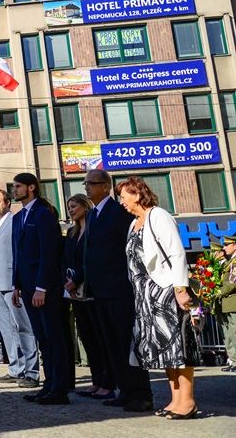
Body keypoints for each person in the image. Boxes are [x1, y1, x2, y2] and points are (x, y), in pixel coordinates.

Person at [116, 176, 198, 419]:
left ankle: (188, 400)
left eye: (124, 196)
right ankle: (175, 400)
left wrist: (181, 289)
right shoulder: (133, 224)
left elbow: (176, 251)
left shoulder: (158, 215)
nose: (121, 202)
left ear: (137, 194)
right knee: (163, 350)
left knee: (178, 346)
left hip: (165, 290)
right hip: (144, 296)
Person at [82, 169, 152, 411]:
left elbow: (130, 248)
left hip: (120, 288)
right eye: (85, 183)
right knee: (111, 343)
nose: (87, 187)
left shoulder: (118, 211)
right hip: (99, 290)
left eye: (92, 183)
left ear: (105, 186)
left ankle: (141, 393)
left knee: (127, 341)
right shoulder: (92, 215)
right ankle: (124, 389)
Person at [11, 172, 68, 405]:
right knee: (42, 338)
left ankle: (60, 388)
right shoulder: (17, 218)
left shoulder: (43, 215)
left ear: (31, 188)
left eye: (18, 186)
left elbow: (48, 253)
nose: (14, 190)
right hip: (25, 287)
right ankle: (48, 384)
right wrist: (16, 285)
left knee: (54, 337)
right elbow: (17, 255)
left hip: (44, 288)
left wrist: (41, 287)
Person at [0, 188, 39, 387]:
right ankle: (15, 368)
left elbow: (19, 254)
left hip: (12, 283)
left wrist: (19, 282)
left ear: (7, 203)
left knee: (23, 328)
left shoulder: (15, 222)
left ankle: (31, 371)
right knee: (7, 329)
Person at [63, 194, 112, 400]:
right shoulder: (72, 232)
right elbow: (67, 259)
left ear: (84, 205)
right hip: (75, 293)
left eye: (74, 206)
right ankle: (96, 380)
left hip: (92, 289)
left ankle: (108, 383)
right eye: (69, 207)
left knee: (101, 337)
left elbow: (92, 259)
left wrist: (79, 279)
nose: (71, 210)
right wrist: (68, 281)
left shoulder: (93, 227)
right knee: (87, 337)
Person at [214, 236, 236, 372]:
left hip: (232, 301)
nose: (224, 248)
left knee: (234, 333)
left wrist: (218, 292)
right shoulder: (230, 262)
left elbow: (233, 282)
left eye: (227, 245)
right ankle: (233, 361)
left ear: (235, 245)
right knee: (228, 334)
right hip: (226, 303)